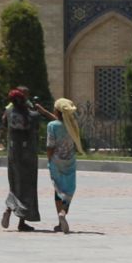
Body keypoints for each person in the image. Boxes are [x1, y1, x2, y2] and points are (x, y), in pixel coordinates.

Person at [40, 97, 84, 233]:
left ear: (57, 111)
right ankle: (63, 213)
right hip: (70, 161)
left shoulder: (52, 126)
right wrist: (44, 112)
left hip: (56, 161)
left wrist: (49, 159)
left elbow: (49, 146)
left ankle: (60, 222)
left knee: (58, 190)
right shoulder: (73, 124)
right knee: (69, 190)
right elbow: (63, 122)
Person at [0, 88, 42, 231]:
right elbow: (36, 125)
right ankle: (21, 222)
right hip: (28, 156)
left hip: (13, 154)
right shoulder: (32, 115)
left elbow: (4, 123)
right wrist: (34, 108)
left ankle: (8, 209)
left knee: (15, 184)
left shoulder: (9, 113)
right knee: (27, 188)